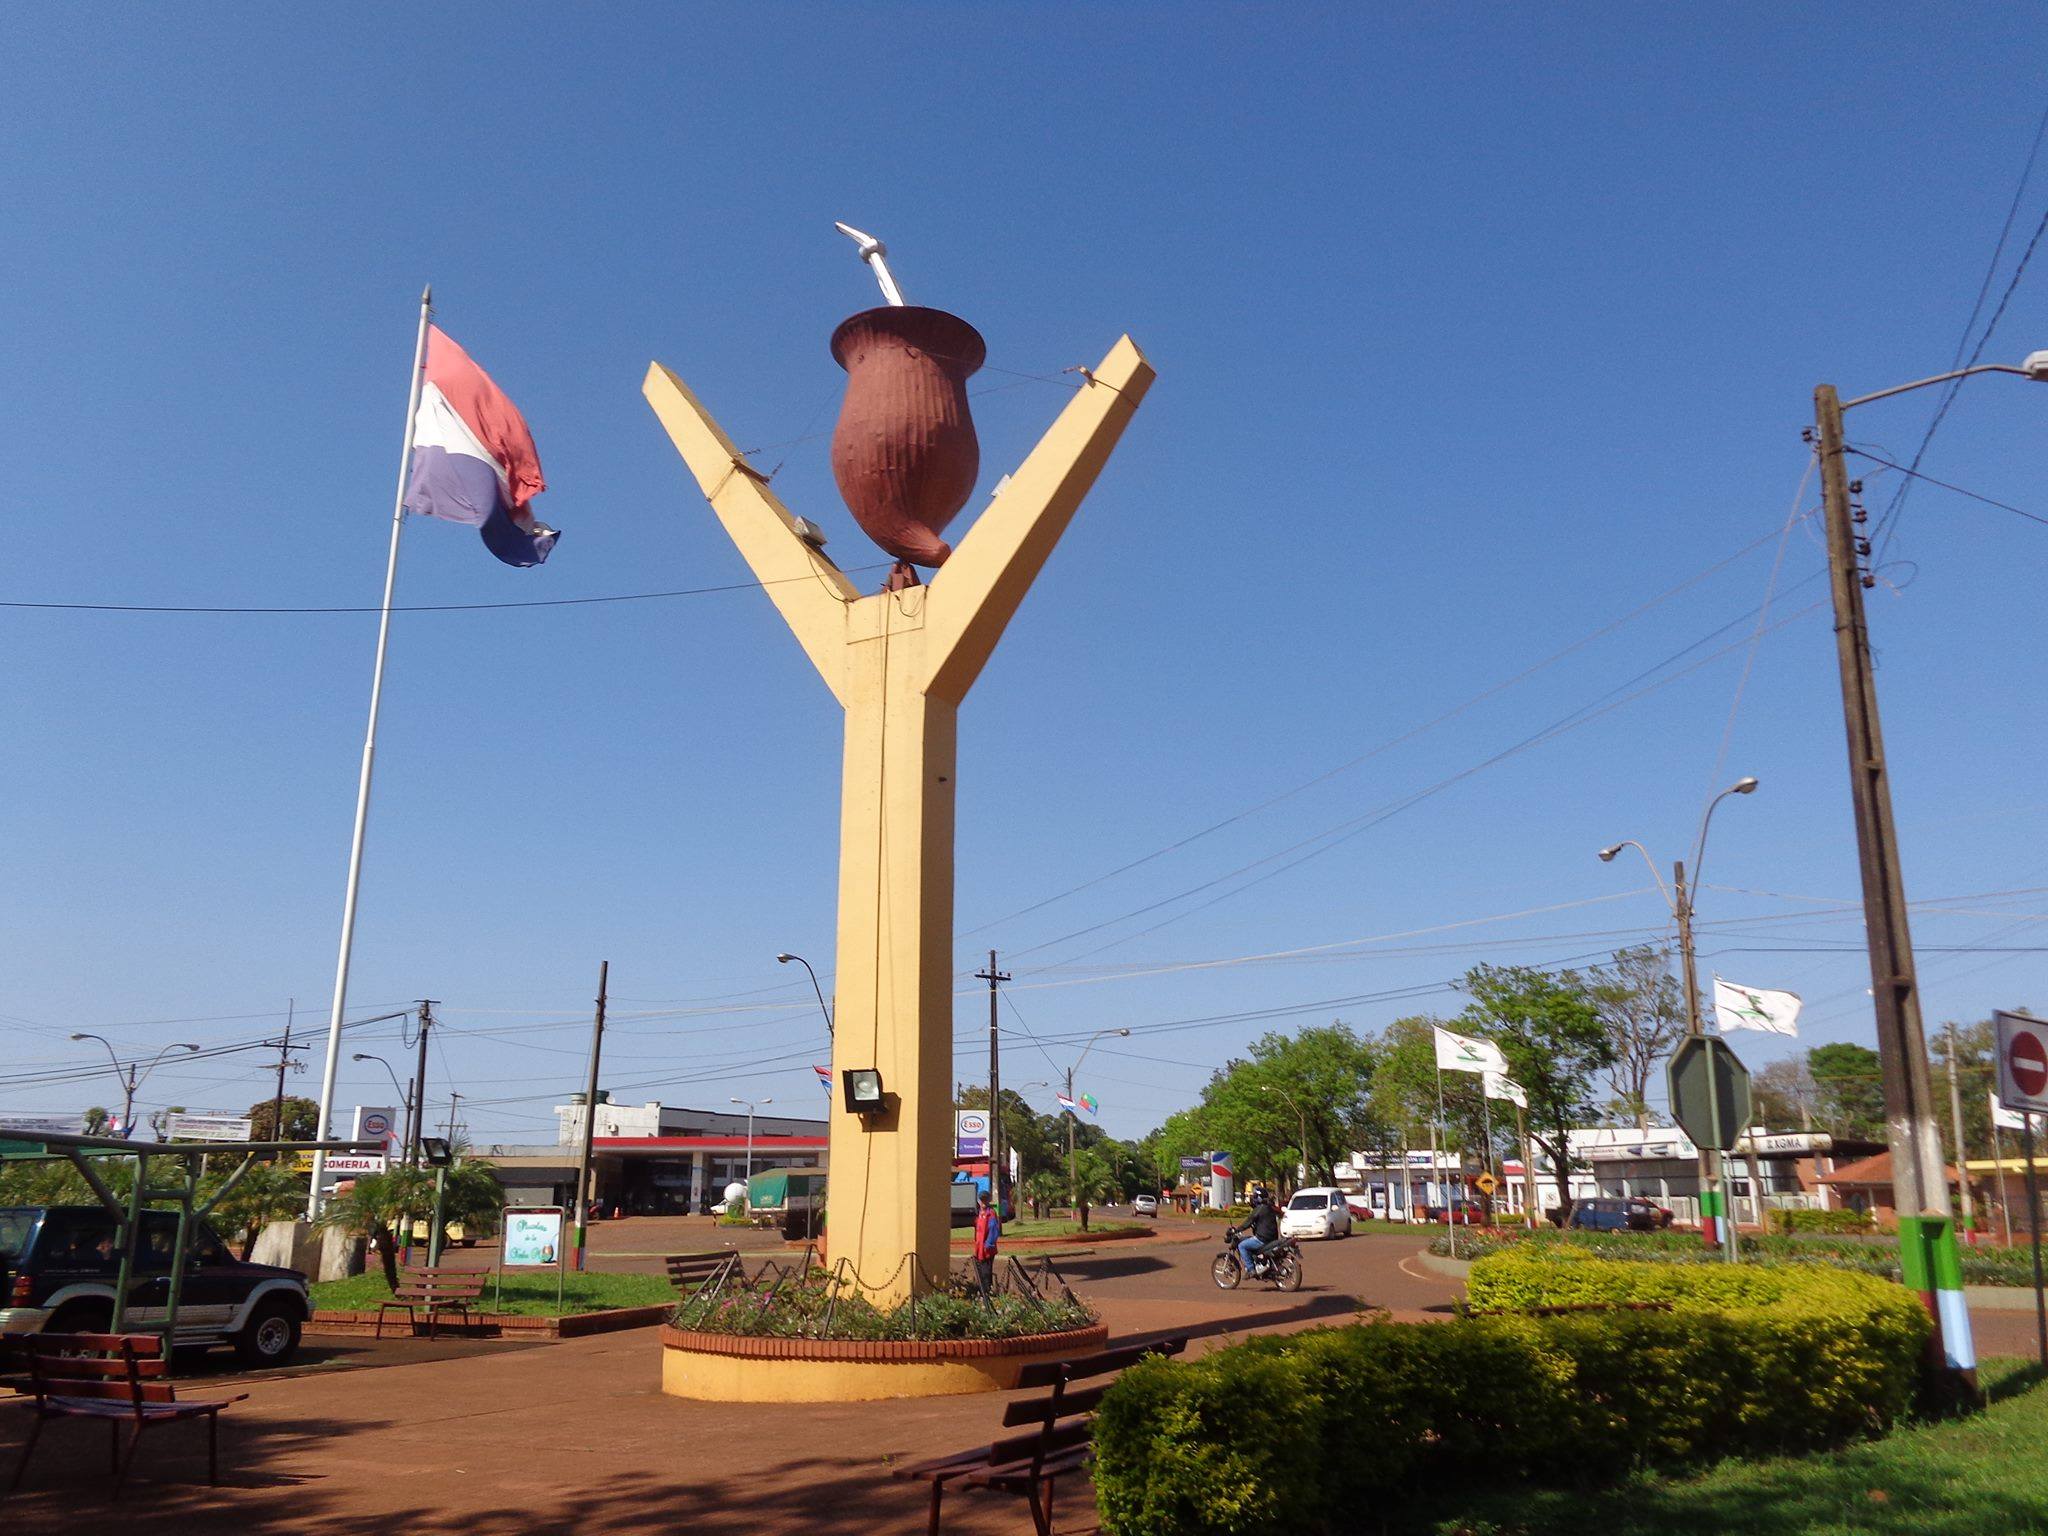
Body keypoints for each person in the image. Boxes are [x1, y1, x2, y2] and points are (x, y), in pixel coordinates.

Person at [1237, 1190, 1279, 1275]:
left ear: (1259, 1198)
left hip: (1262, 1239)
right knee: (1249, 1240)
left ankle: (1251, 1269)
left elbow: (1248, 1221)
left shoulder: (1259, 1209)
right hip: (1273, 1238)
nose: (1253, 1198)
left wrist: (1238, 1229)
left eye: (1255, 1196)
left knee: (1242, 1245)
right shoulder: (1270, 1207)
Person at [972, 1188, 1001, 1298]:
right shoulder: (979, 1214)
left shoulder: (991, 1214)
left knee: (986, 1272)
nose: (983, 1202)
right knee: (980, 1272)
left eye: (985, 1200)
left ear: (988, 1200)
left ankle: (986, 1293)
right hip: (979, 1249)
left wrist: (988, 1245)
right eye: (981, 1200)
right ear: (979, 1201)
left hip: (987, 1250)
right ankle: (983, 1292)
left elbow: (994, 1231)